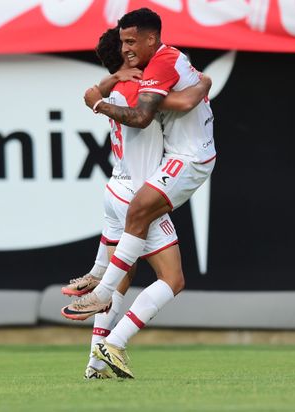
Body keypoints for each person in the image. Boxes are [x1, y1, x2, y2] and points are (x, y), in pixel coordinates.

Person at [61, 8, 215, 378]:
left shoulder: (123, 82)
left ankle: (96, 361)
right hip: (136, 189)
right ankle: (112, 336)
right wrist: (203, 85)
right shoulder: (138, 85)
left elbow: (92, 94)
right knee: (171, 279)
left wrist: (103, 89)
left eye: (132, 42)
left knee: (123, 276)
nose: (128, 49)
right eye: (124, 44)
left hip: (116, 186)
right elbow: (175, 104)